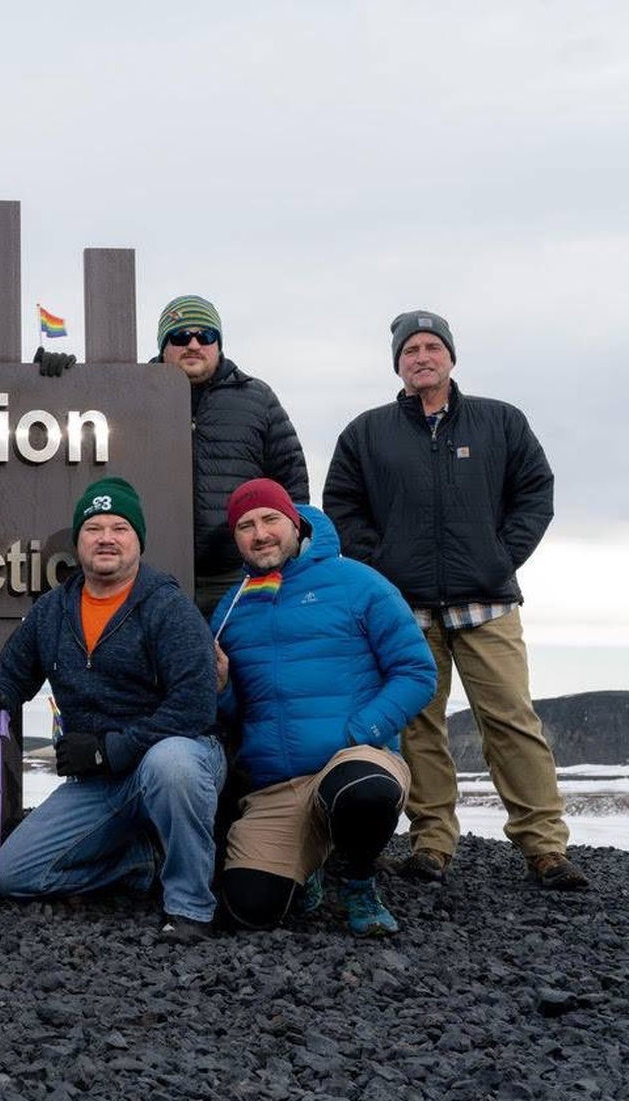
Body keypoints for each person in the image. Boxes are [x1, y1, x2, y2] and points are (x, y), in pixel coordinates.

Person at [324, 310, 586, 890]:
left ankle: (544, 846)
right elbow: (342, 508)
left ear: (450, 357)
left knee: (512, 721)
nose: (422, 356)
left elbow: (535, 493)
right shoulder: (366, 433)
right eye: (410, 349)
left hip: (486, 604)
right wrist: (383, 568)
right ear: (397, 362)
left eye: (431, 346)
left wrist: (499, 555)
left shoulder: (501, 422)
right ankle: (432, 844)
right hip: (406, 611)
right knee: (419, 726)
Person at [0, 478, 223, 941]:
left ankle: (189, 906)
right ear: (78, 542)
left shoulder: (167, 606)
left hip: (170, 760)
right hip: (101, 784)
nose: (106, 538)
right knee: (10, 877)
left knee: (174, 764)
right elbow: (11, 676)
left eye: (119, 527)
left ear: (138, 539)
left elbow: (196, 704)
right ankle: (137, 861)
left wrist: (110, 750)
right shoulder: (51, 611)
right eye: (93, 528)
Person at [211, 480, 436, 937]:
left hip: (353, 758)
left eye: (271, 520)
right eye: (246, 526)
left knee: (364, 790)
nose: (260, 534)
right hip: (278, 786)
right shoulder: (230, 610)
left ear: (295, 523)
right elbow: (235, 713)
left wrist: (358, 733)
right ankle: (308, 864)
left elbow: (416, 672)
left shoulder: (358, 582)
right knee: (249, 910)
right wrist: (220, 689)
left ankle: (359, 882)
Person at [152, 296, 309, 618]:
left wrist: (289, 552)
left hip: (238, 572)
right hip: (155, 572)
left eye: (205, 336)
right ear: (163, 346)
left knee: (245, 667)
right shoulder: (133, 394)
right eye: (181, 336)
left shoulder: (257, 397)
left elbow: (290, 479)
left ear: (219, 344)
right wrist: (56, 374)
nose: (194, 344)